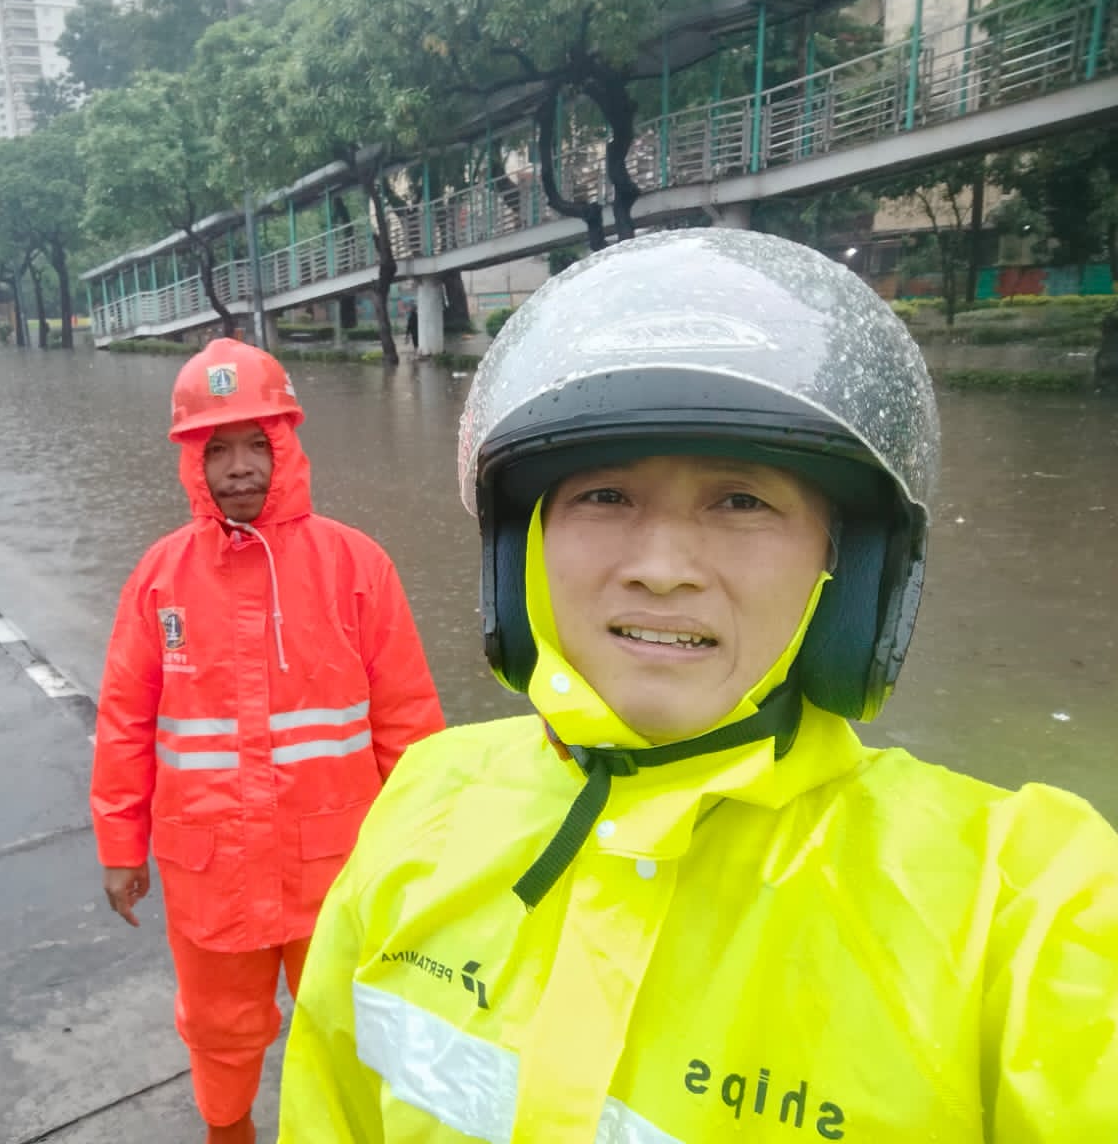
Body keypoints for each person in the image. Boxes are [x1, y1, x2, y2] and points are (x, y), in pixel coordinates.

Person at [278, 229, 1118, 1141]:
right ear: (522, 549)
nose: (662, 567)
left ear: (848, 567)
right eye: (605, 496)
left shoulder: (1020, 906)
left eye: (742, 501)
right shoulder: (424, 804)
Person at [91, 336, 445, 1144]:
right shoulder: (159, 579)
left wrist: (429, 851)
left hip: (339, 864)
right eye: (217, 450)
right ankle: (229, 1130)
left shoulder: (356, 566)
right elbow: (125, 722)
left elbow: (408, 722)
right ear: (192, 461)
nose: (240, 468)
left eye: (257, 443)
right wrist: (119, 845)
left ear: (287, 445)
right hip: (208, 866)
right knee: (219, 1026)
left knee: (352, 1024)